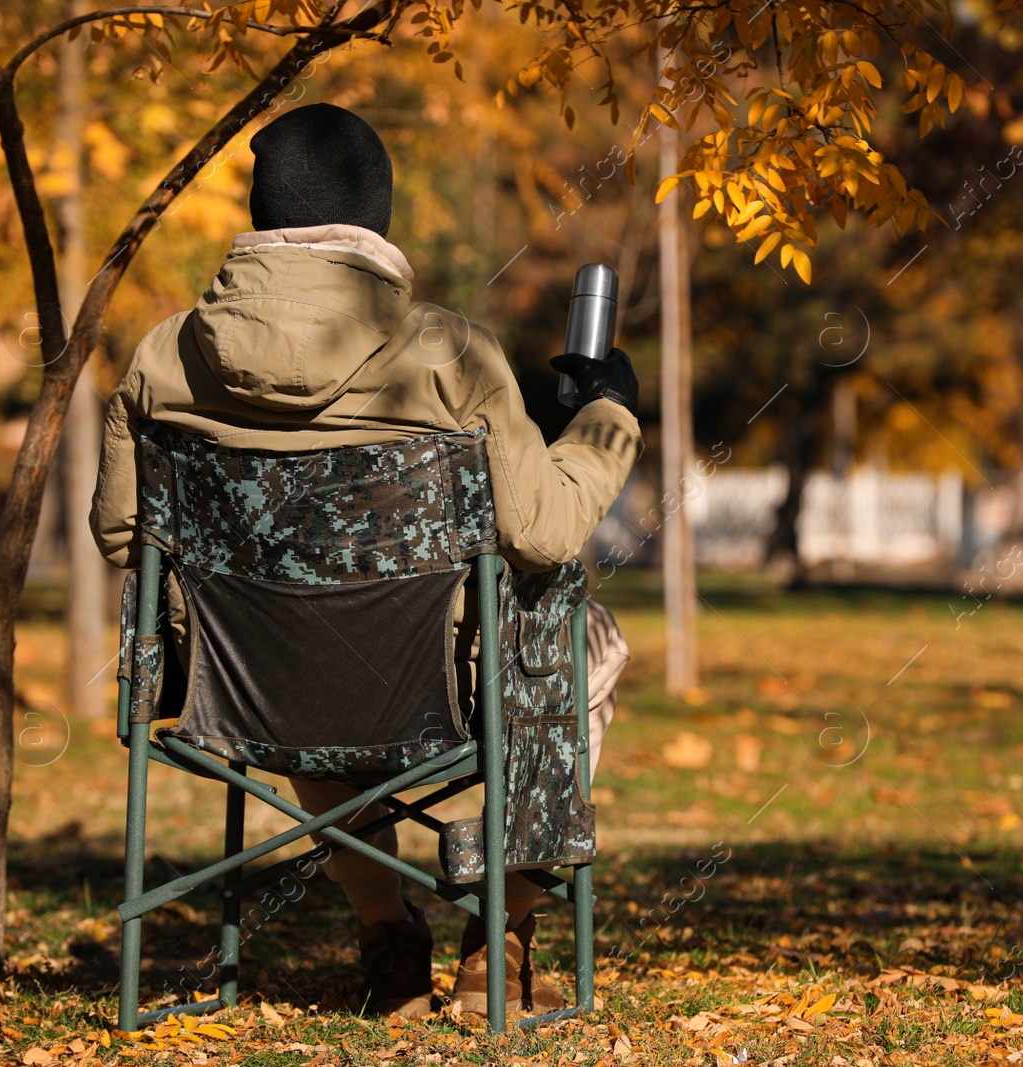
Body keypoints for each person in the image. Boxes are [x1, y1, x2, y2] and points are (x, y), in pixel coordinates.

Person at [90, 102, 642, 1019]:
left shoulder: (164, 356)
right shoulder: (449, 352)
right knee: (589, 642)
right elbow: (544, 534)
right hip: (442, 684)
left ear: (261, 218)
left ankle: (386, 929)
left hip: (250, 689)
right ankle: (499, 933)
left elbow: (125, 536)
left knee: (299, 644)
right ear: (374, 223)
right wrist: (606, 416)